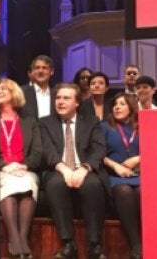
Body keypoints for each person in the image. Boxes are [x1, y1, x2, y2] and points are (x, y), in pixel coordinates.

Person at [0, 78, 42, 259]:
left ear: (15, 93)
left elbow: (37, 152)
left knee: (27, 182)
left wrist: (24, 165)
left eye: (4, 88)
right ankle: (16, 238)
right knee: (10, 185)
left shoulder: (30, 121)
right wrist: (4, 166)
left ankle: (20, 239)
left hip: (24, 170)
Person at [40, 83, 108, 259]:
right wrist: (64, 169)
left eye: (66, 98)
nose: (60, 102)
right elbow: (47, 150)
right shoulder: (45, 123)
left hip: (84, 168)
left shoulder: (91, 122)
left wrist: (84, 169)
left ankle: (94, 245)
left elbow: (99, 149)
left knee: (93, 185)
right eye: (58, 98)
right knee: (55, 184)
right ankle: (68, 243)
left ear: (77, 102)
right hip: (57, 169)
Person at [102, 93, 142, 259]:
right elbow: (98, 154)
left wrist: (139, 158)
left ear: (131, 107)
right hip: (115, 175)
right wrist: (115, 166)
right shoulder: (104, 127)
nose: (117, 107)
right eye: (115, 104)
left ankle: (151, 240)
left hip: (139, 174)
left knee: (142, 192)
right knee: (124, 191)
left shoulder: (142, 126)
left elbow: (156, 147)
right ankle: (136, 246)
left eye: (122, 104)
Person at [22, 55, 56, 119]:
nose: (40, 71)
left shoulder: (56, 94)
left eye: (44, 68)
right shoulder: (21, 92)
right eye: (37, 68)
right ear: (32, 71)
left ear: (52, 71)